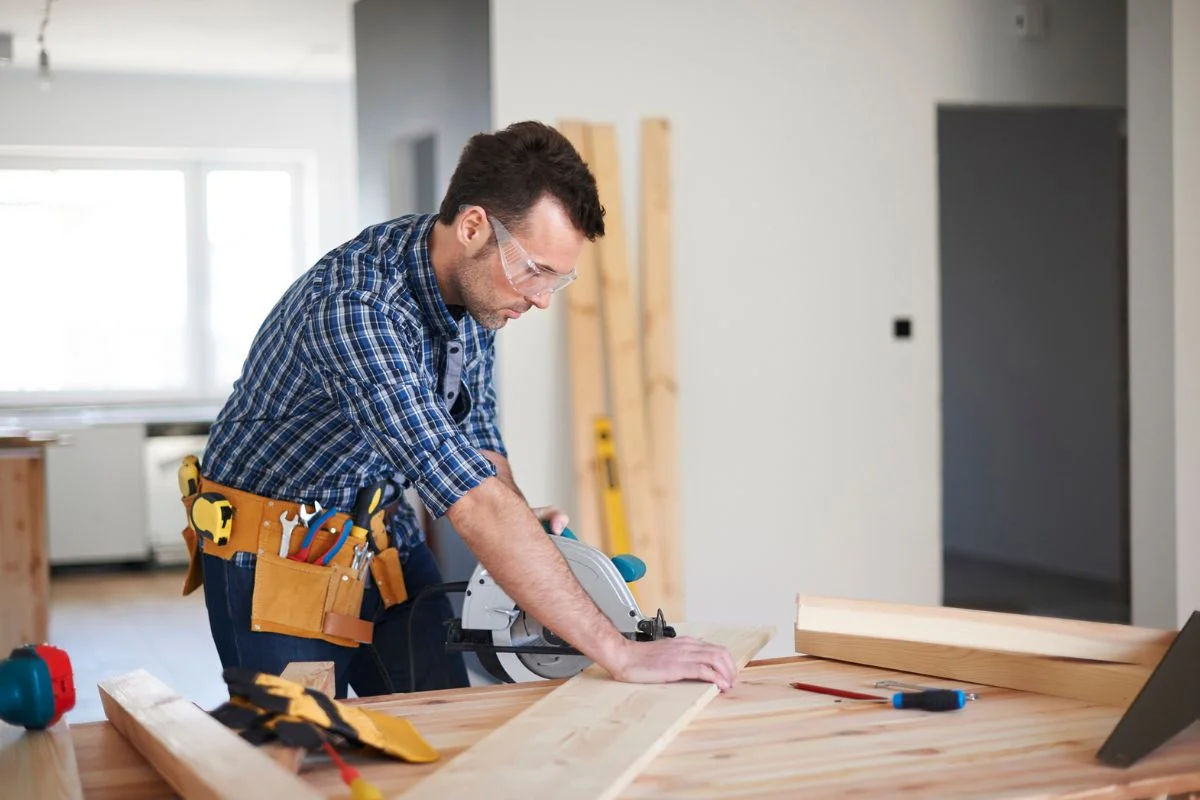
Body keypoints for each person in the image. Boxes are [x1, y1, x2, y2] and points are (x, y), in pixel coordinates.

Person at [187, 120, 737, 699]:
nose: (542, 298)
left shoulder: (477, 296)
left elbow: (479, 450)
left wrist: (534, 540)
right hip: (276, 554)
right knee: (297, 752)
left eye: (560, 278)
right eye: (536, 270)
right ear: (474, 226)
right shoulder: (355, 307)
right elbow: (469, 500)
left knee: (444, 722)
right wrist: (620, 653)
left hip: (377, 533)